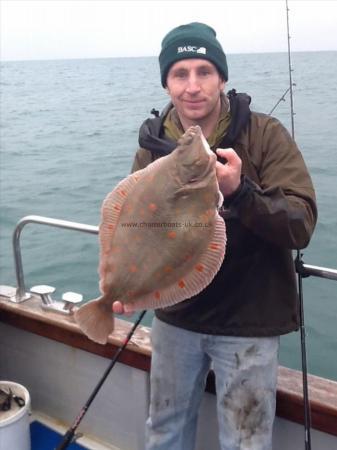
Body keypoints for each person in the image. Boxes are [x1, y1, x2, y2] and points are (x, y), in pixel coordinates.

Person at [113, 22, 317, 450]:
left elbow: (301, 224)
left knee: (246, 442)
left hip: (249, 322)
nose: (192, 86)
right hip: (175, 318)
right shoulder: (151, 148)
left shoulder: (264, 136)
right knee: (163, 431)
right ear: (166, 83)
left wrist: (240, 193)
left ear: (222, 77)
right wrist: (132, 285)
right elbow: (134, 230)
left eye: (204, 71)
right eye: (180, 73)